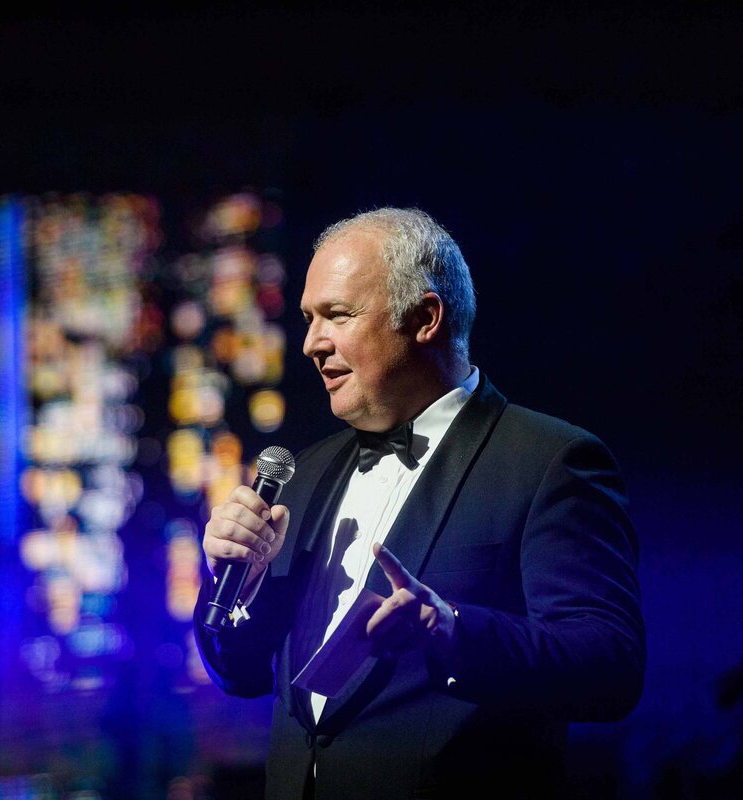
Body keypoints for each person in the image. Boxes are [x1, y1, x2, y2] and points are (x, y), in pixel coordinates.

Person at [194, 207, 645, 799]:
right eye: (308, 319)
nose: (310, 343)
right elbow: (242, 673)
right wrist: (238, 584)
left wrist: (452, 629)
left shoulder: (548, 461)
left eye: (337, 316)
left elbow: (609, 666)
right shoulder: (303, 476)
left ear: (426, 318)